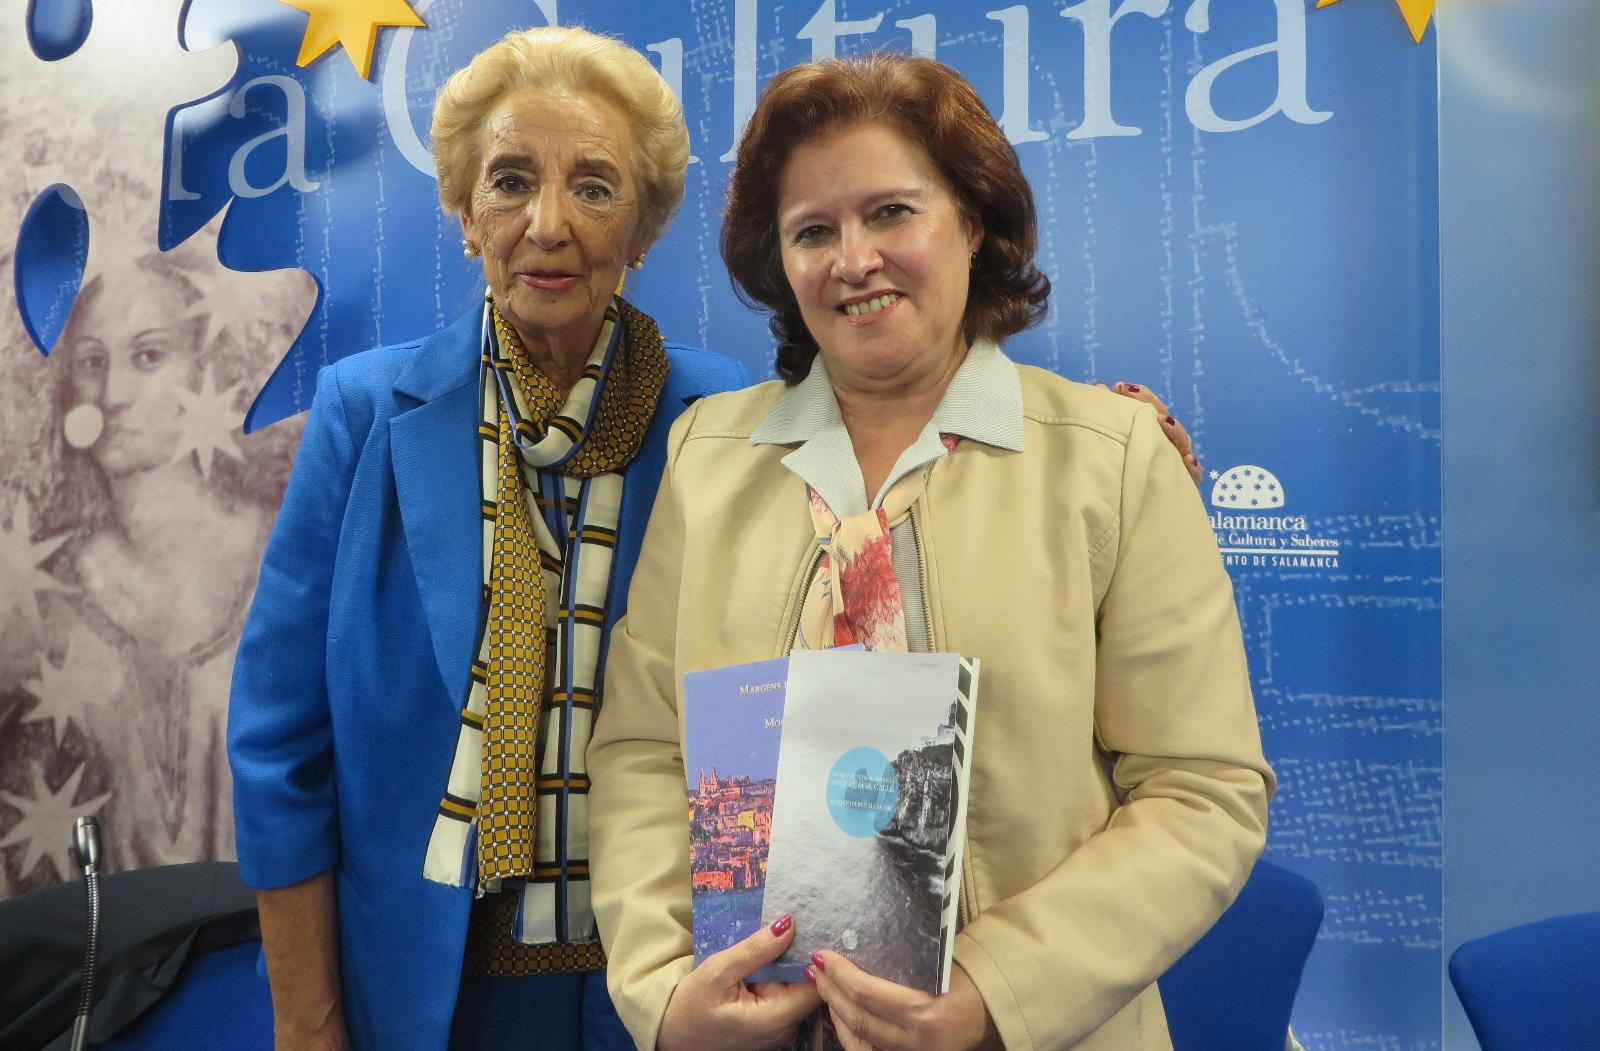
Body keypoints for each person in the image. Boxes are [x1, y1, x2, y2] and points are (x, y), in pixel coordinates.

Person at [587, 52, 1274, 1051]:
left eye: (891, 213)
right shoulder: (708, 458)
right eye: (811, 231)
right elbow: (645, 753)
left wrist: (996, 989)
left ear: (973, 222)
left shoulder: (1113, 460)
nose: (851, 258)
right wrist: (662, 994)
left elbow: (1202, 791)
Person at [225, 26, 749, 1051]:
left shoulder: (725, 418)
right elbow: (279, 741)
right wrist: (306, 1020)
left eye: (594, 188)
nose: (547, 224)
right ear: (466, 211)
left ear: (641, 227)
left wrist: (1125, 447)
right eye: (510, 181)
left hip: (668, 984)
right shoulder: (364, 411)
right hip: (430, 993)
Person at [0, 235, 299, 890]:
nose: (112, 393)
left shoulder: (286, 559)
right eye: (91, 361)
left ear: (202, 367)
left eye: (148, 355)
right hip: (108, 975)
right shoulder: (43, 598)